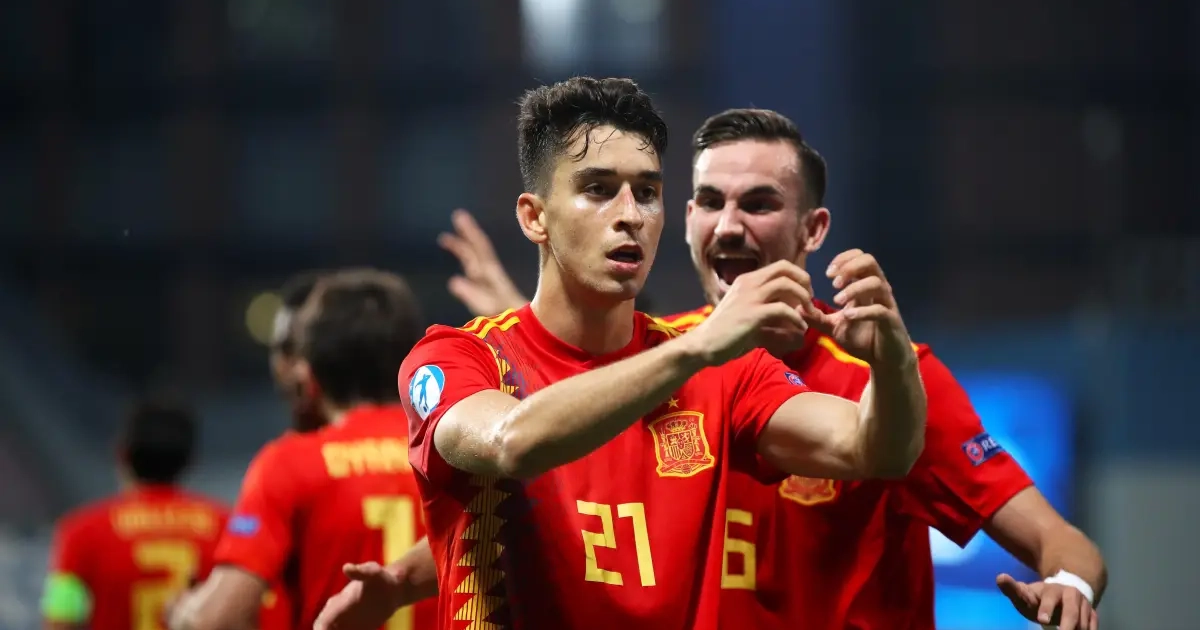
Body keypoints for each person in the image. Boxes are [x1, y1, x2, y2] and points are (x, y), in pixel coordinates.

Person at [428, 109, 1108, 630]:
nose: (729, 226)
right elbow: (557, 493)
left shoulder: (889, 378)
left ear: (813, 230)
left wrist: (1070, 587)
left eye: (758, 204)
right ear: (687, 220)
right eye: (710, 203)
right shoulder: (663, 364)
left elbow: (1057, 539)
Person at [319, 76, 927, 630]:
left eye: (647, 193)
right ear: (535, 218)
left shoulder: (725, 372)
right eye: (598, 190)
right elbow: (512, 442)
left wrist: (892, 359)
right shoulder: (456, 358)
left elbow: (877, 448)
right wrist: (700, 347)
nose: (630, 216)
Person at [168, 268, 435, 630]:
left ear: (309, 378)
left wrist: (183, 612)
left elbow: (217, 620)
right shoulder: (447, 451)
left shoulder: (291, 463)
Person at [41, 400, 230, 630]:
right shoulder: (226, 526)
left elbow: (61, 618)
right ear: (190, 460)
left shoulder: (81, 533)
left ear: (122, 454)